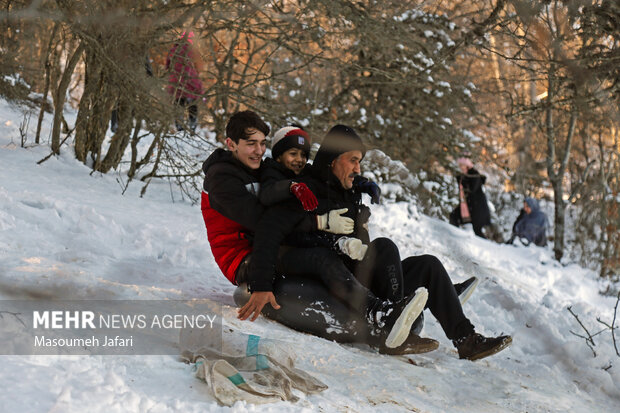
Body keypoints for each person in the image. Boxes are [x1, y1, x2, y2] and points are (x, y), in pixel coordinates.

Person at [239, 125, 429, 350]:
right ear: (278, 156)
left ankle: (393, 314)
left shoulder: (309, 182)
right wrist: (261, 284)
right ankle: (378, 313)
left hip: (306, 252)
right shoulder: (287, 186)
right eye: (292, 154)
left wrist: (354, 213)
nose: (299, 160)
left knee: (383, 249)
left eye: (303, 155)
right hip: (284, 256)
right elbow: (270, 229)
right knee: (322, 257)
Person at [166, 31, 203, 132]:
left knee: (179, 105)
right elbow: (200, 67)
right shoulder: (194, 51)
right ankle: (192, 126)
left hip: (176, 83)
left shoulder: (173, 50)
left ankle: (179, 127)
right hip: (192, 83)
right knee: (193, 105)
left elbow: (167, 66)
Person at [449, 157, 492, 238]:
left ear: (467, 165)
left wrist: (463, 181)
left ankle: (486, 247)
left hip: (478, 208)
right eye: (460, 165)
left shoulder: (474, 174)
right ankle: (454, 237)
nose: (461, 167)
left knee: (477, 230)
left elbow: (472, 189)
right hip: (468, 205)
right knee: (454, 216)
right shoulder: (465, 175)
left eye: (462, 165)